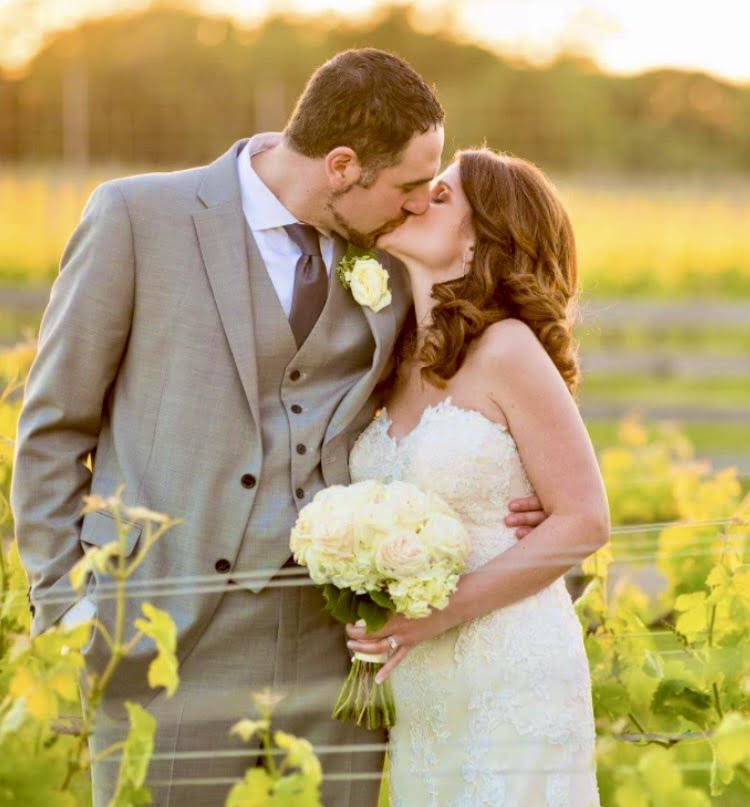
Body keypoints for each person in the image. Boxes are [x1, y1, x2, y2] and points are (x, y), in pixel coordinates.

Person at [10, 50, 547, 806]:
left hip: (338, 645)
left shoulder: (394, 258)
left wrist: (517, 492)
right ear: (341, 165)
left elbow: (471, 375)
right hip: (161, 632)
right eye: (407, 187)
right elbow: (53, 426)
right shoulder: (137, 218)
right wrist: (69, 604)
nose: (416, 207)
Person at [346, 149, 609, 806]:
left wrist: (435, 614)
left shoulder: (507, 348)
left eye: (440, 196)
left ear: (481, 238)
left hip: (510, 664)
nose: (415, 199)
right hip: (424, 682)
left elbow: (585, 519)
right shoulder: (394, 358)